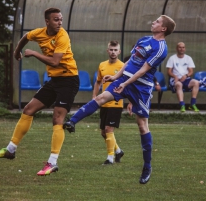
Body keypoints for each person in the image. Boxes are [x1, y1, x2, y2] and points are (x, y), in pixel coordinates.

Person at [63, 15, 176, 184]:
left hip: (141, 88)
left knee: (142, 125)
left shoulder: (161, 48)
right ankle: (72, 121)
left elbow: (143, 70)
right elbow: (130, 61)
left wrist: (125, 84)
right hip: (125, 81)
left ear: (163, 29)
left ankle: (147, 167)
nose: (154, 22)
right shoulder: (144, 39)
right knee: (101, 97)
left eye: (158, 21)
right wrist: (116, 77)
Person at [0, 7, 79, 176]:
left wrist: (33, 53)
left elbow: (55, 61)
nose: (59, 22)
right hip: (55, 81)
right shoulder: (40, 33)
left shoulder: (62, 36)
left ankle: (52, 162)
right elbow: (25, 37)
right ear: (47, 21)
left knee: (57, 118)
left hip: (69, 80)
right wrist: (17, 52)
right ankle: (10, 150)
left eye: (60, 19)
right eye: (56, 19)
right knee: (28, 109)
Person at [93, 40, 125, 165]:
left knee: (108, 129)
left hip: (116, 103)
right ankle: (118, 150)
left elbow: (128, 84)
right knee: (103, 132)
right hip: (103, 103)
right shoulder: (102, 65)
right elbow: (98, 82)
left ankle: (110, 158)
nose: (113, 52)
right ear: (107, 51)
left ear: (119, 51)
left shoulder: (123, 66)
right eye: (111, 49)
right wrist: (94, 96)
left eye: (115, 49)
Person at [166, 42, 200, 112]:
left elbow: (191, 71)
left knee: (196, 82)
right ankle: (182, 105)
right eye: (180, 47)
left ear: (185, 49)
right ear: (177, 49)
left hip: (186, 78)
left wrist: (186, 75)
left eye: (183, 47)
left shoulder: (188, 58)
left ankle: (193, 104)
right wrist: (174, 76)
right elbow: (169, 71)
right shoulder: (172, 58)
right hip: (175, 80)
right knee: (179, 84)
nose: (181, 49)